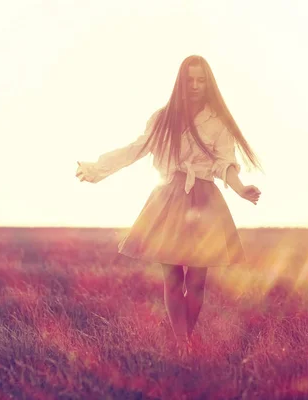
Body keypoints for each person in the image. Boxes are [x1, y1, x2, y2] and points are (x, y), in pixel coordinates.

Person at [75, 55, 262, 357]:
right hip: (169, 197)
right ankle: (182, 344)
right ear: (181, 82)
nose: (196, 86)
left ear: (209, 83)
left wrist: (241, 190)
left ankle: (185, 339)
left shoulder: (219, 122)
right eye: (190, 80)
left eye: (202, 80)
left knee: (198, 280)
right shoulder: (163, 117)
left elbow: (224, 163)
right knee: (173, 277)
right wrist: (97, 169)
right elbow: (136, 149)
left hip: (205, 200)